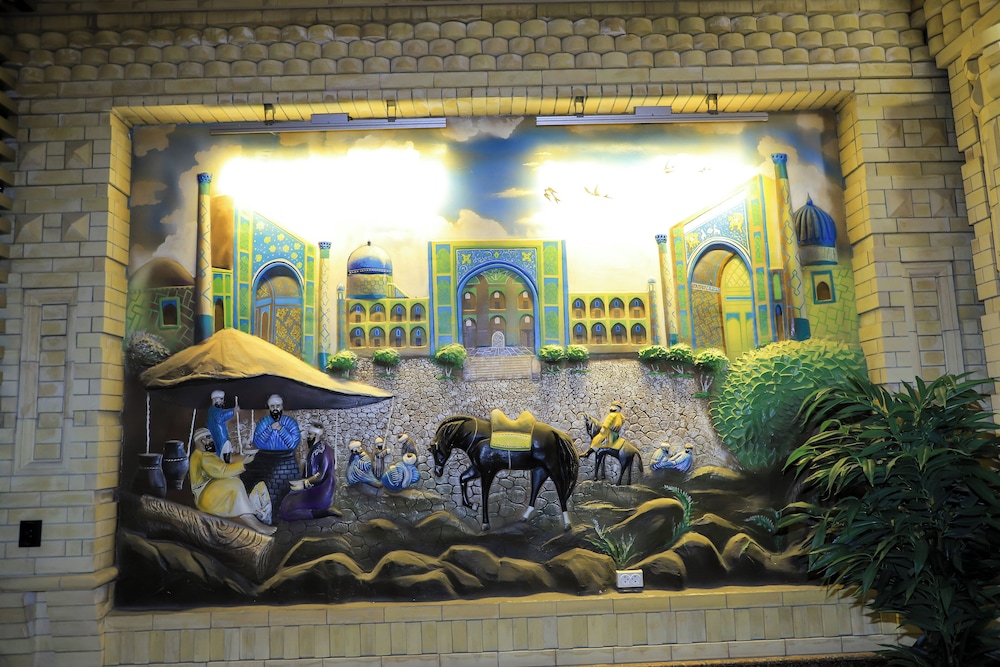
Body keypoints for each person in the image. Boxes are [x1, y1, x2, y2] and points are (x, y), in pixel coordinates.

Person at [189, 427, 274, 535]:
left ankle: (249, 516)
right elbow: (221, 471)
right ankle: (250, 519)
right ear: (202, 441)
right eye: (208, 438)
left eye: (210, 438)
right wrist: (243, 464)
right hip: (205, 498)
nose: (210, 440)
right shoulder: (203, 457)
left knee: (234, 480)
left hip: (207, 492)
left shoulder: (202, 454)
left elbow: (220, 469)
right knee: (235, 484)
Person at [244, 393, 302, 516]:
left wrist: (281, 429)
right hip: (265, 458)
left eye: (278, 406)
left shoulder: (290, 423)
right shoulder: (263, 422)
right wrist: (270, 429)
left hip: (286, 459)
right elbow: (258, 442)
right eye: (272, 406)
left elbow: (292, 444)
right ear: (269, 408)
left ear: (282, 406)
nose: (275, 409)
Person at [278, 421, 341, 521]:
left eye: (310, 434)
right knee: (286, 502)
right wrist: (302, 482)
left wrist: (304, 484)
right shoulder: (315, 448)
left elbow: (321, 475)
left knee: (287, 511)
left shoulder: (325, 451)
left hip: (320, 493)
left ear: (316, 435)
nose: (308, 436)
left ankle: (323, 512)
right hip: (311, 489)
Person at [206, 389, 235, 463]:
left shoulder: (213, 410)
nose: (222, 401)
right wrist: (233, 411)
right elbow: (219, 418)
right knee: (223, 452)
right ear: (215, 399)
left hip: (217, 435)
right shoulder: (215, 410)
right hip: (220, 436)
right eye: (221, 399)